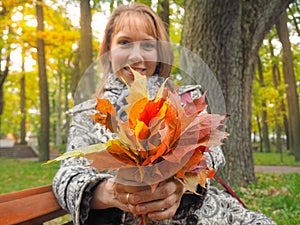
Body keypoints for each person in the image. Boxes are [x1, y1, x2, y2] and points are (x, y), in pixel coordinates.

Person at [53, 3, 276, 225]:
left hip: (202, 216)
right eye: (124, 42)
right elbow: (68, 177)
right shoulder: (89, 114)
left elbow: (212, 152)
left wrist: (181, 181)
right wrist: (111, 192)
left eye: (148, 45)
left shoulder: (184, 101)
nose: (136, 56)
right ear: (109, 51)